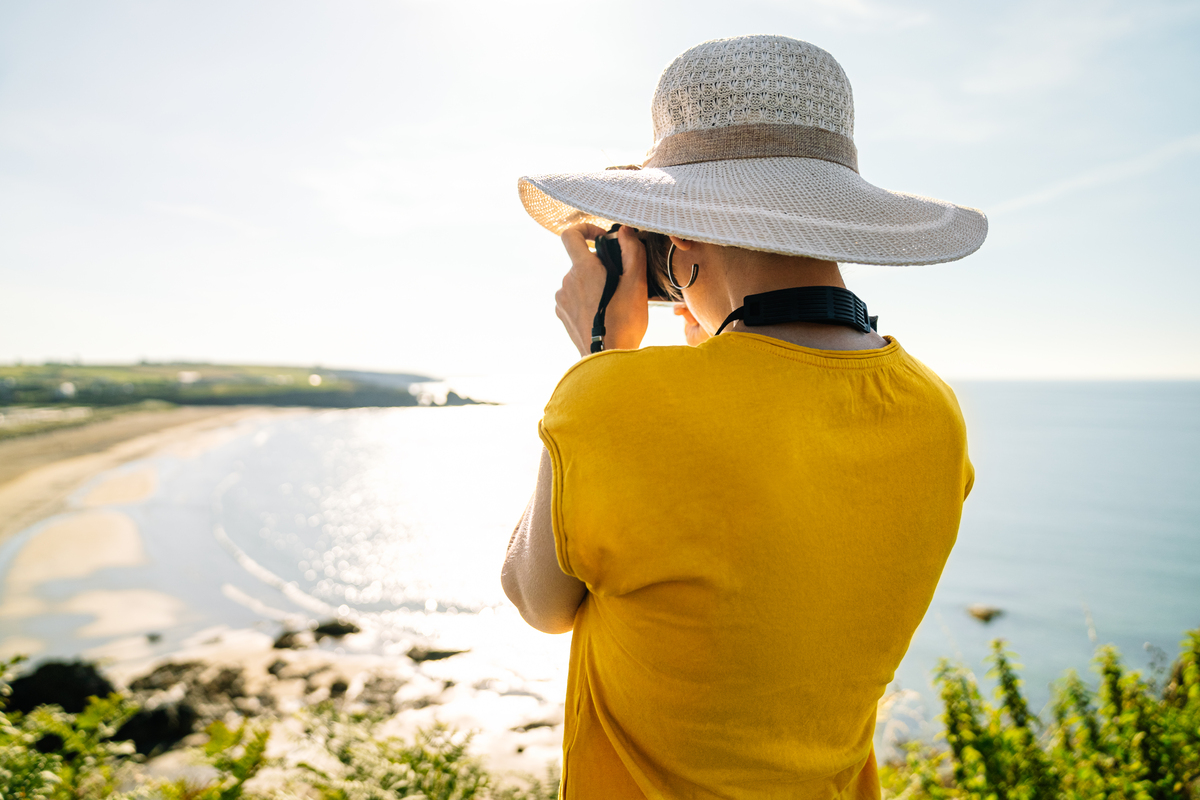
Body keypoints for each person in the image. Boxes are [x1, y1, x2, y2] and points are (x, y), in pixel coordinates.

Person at [501, 34, 985, 799]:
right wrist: (718, 340)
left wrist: (598, 355)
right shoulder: (934, 409)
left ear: (677, 233)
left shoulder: (616, 396)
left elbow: (538, 602)